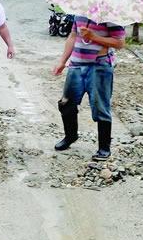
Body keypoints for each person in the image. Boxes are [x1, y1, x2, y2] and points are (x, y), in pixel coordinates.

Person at [51, 14, 126, 160]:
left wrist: (93, 36)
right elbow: (73, 36)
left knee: (100, 107)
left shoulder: (111, 15)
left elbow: (120, 43)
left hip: (100, 67)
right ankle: (70, 136)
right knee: (66, 103)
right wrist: (62, 61)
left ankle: (104, 148)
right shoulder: (79, 11)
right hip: (76, 65)